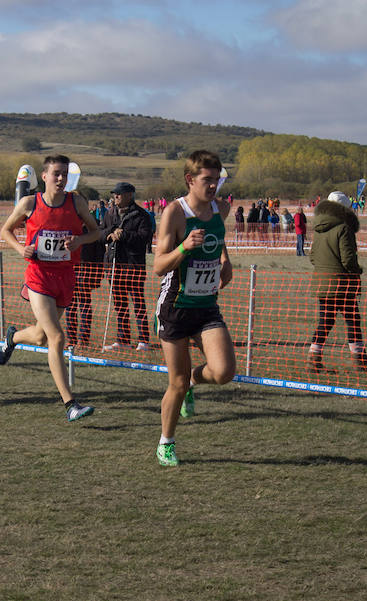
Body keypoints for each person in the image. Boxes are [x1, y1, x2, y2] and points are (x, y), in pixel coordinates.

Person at [0, 154, 101, 422]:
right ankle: (70, 404)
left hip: (65, 278)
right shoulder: (30, 203)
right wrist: (22, 249)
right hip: (38, 278)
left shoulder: (76, 202)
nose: (61, 178)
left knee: (42, 337)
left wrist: (79, 241)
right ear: (44, 176)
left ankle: (12, 338)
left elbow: (96, 232)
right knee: (57, 338)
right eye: (56, 173)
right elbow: (5, 231)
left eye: (64, 174)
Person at [153, 150, 235, 467]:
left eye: (217, 179)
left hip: (206, 307)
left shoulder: (222, 209)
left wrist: (225, 262)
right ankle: (166, 443)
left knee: (224, 372)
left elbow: (219, 238)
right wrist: (185, 247)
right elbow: (159, 266)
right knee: (174, 381)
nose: (214, 186)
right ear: (190, 179)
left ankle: (192, 382)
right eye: (207, 180)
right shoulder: (175, 213)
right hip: (175, 307)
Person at [307, 191, 367, 373]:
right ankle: (360, 360)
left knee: (326, 321)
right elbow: (348, 259)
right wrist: (357, 271)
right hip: (342, 284)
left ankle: (313, 358)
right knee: (353, 321)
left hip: (323, 282)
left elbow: (312, 257)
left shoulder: (318, 228)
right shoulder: (343, 228)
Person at [101, 182, 154, 351]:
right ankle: (122, 340)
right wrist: (109, 236)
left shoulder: (141, 215)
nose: (115, 196)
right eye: (114, 194)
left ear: (129, 195)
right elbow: (101, 232)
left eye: (119, 193)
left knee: (138, 303)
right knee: (120, 304)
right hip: (114, 264)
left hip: (134, 265)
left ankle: (143, 340)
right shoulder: (110, 213)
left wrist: (124, 235)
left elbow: (144, 238)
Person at [65, 200, 105, 348]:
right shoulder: (67, 222)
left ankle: (84, 339)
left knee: (85, 306)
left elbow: (99, 250)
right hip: (69, 269)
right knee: (70, 306)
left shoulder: (92, 224)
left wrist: (98, 273)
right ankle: (71, 339)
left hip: (87, 270)